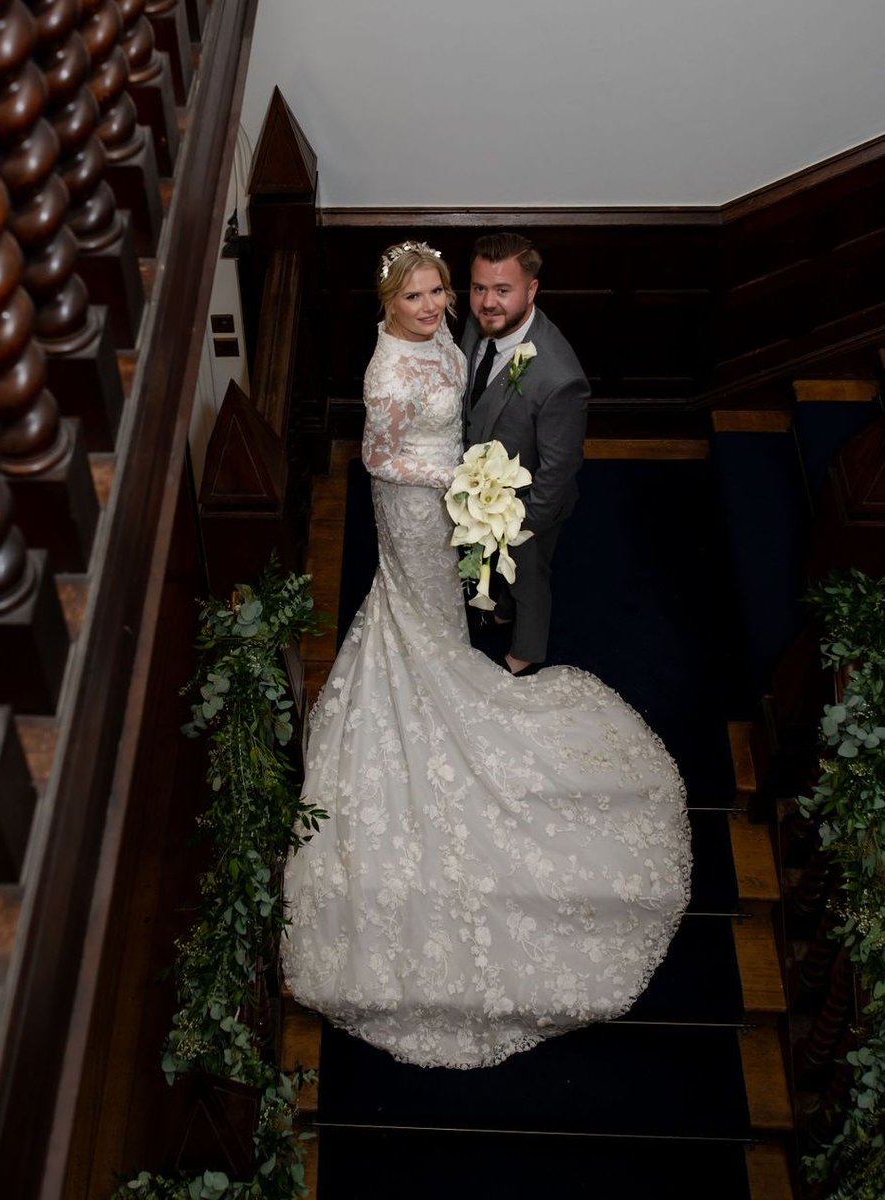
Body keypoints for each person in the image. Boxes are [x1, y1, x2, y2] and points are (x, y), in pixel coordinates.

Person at [281, 241, 690, 1071]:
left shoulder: (462, 339)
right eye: (419, 298)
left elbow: (491, 403)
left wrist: (478, 489)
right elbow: (375, 456)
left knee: (440, 607)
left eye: (443, 293)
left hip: (460, 501)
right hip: (413, 504)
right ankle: (435, 674)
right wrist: (452, 481)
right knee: (417, 605)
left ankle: (459, 642)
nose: (436, 309)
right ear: (388, 303)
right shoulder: (384, 374)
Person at [463, 233, 590, 675]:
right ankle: (498, 606)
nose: (487, 302)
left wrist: (526, 527)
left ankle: (526, 649)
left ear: (531, 290)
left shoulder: (558, 376)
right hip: (482, 488)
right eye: (479, 288)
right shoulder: (479, 323)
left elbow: (559, 467)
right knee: (493, 563)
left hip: (527, 507)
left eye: (503, 290)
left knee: (528, 578)